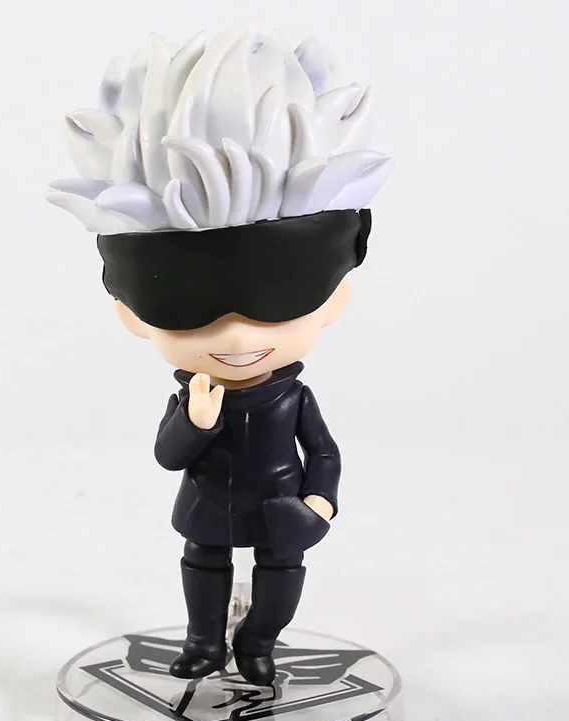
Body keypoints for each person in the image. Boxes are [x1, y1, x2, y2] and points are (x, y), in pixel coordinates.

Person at [46, 24, 391, 686]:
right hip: (209, 506)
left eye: (277, 305)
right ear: (133, 316)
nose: (235, 339)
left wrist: (321, 501)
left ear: (331, 302)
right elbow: (169, 455)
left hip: (281, 508)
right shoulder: (194, 395)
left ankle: (258, 642)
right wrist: (195, 421)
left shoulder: (293, 397)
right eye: (189, 312)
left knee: (280, 571)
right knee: (203, 565)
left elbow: (323, 452)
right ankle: (204, 642)